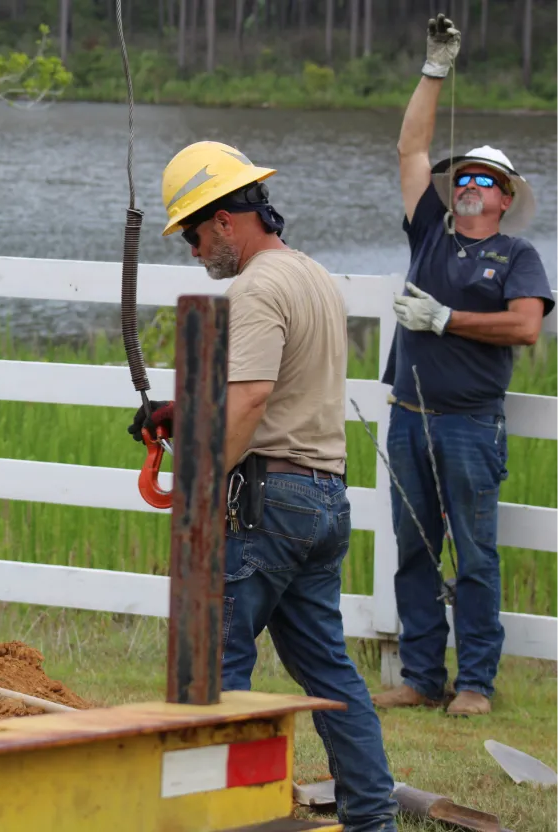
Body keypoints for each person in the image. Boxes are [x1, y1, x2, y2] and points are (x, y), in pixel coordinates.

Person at [130, 141, 399, 832]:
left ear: (224, 220)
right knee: (329, 672)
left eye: (191, 232)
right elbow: (276, 393)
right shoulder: (309, 275)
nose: (192, 250)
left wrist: (196, 486)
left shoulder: (253, 289)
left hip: (268, 503)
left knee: (215, 669)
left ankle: (221, 818)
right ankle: (373, 819)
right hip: (319, 498)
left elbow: (250, 401)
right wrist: (183, 412)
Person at [372, 15, 553, 717]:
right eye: (465, 175)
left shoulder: (517, 257)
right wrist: (433, 69)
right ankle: (420, 676)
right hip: (408, 419)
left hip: (470, 427)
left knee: (474, 556)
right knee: (414, 549)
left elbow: (526, 326)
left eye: (487, 179)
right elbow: (408, 147)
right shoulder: (427, 232)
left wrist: (447, 319)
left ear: (505, 197)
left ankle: (474, 682)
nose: (471, 183)